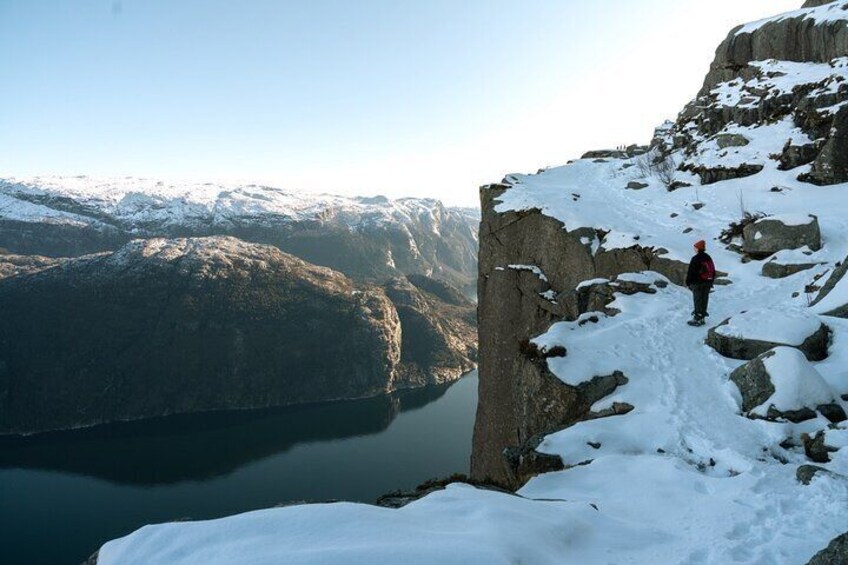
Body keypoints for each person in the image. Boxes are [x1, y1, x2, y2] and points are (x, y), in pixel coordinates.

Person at [685, 240, 715, 326]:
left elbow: (691, 272)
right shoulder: (708, 257)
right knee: (704, 299)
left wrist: (688, 282)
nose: (694, 249)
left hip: (698, 283)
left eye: (695, 247)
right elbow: (713, 270)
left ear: (698, 248)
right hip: (707, 283)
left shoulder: (695, 258)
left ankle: (697, 319)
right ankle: (702, 318)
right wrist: (711, 281)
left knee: (697, 300)